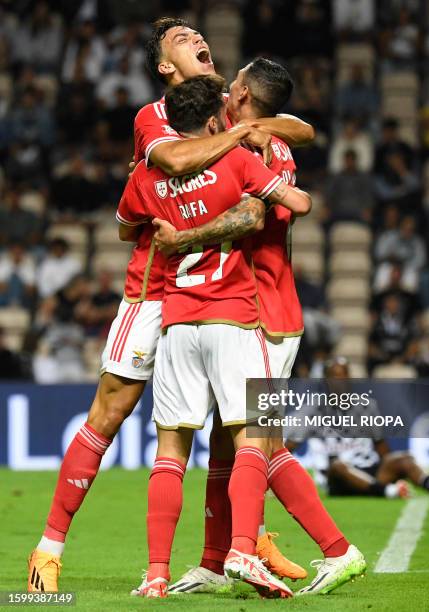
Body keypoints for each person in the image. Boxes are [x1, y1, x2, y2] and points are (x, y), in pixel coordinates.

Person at [27, 17, 315, 593]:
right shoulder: (154, 118)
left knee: (235, 427)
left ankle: (240, 545)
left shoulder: (228, 109)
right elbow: (177, 163)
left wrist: (251, 123)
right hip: (153, 288)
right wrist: (240, 135)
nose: (196, 40)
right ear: (164, 66)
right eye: (180, 40)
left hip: (217, 293)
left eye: (196, 35)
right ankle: (48, 548)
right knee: (109, 414)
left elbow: (300, 130)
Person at [154, 61, 360, 597]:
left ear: (242, 94)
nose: (226, 81)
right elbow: (301, 128)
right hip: (254, 308)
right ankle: (215, 561)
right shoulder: (260, 136)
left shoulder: (257, 150)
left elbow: (249, 217)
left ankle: (318, 550)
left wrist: (182, 239)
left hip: (263, 310)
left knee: (260, 444)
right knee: (232, 443)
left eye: (235, 79)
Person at [117, 74, 318, 598]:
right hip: (234, 313)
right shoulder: (235, 159)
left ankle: (156, 574)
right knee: (252, 435)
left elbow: (124, 227)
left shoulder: (147, 173)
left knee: (169, 452)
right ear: (214, 120)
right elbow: (293, 205)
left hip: (177, 320)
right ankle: (242, 552)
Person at [287, 358, 429, 499]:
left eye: (345, 375)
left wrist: (396, 466)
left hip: (369, 470)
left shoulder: (367, 407)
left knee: (404, 458)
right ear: (326, 380)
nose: (341, 381)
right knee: (339, 466)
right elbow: (289, 448)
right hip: (336, 478)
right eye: (335, 376)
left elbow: (381, 447)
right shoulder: (313, 410)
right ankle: (389, 492)